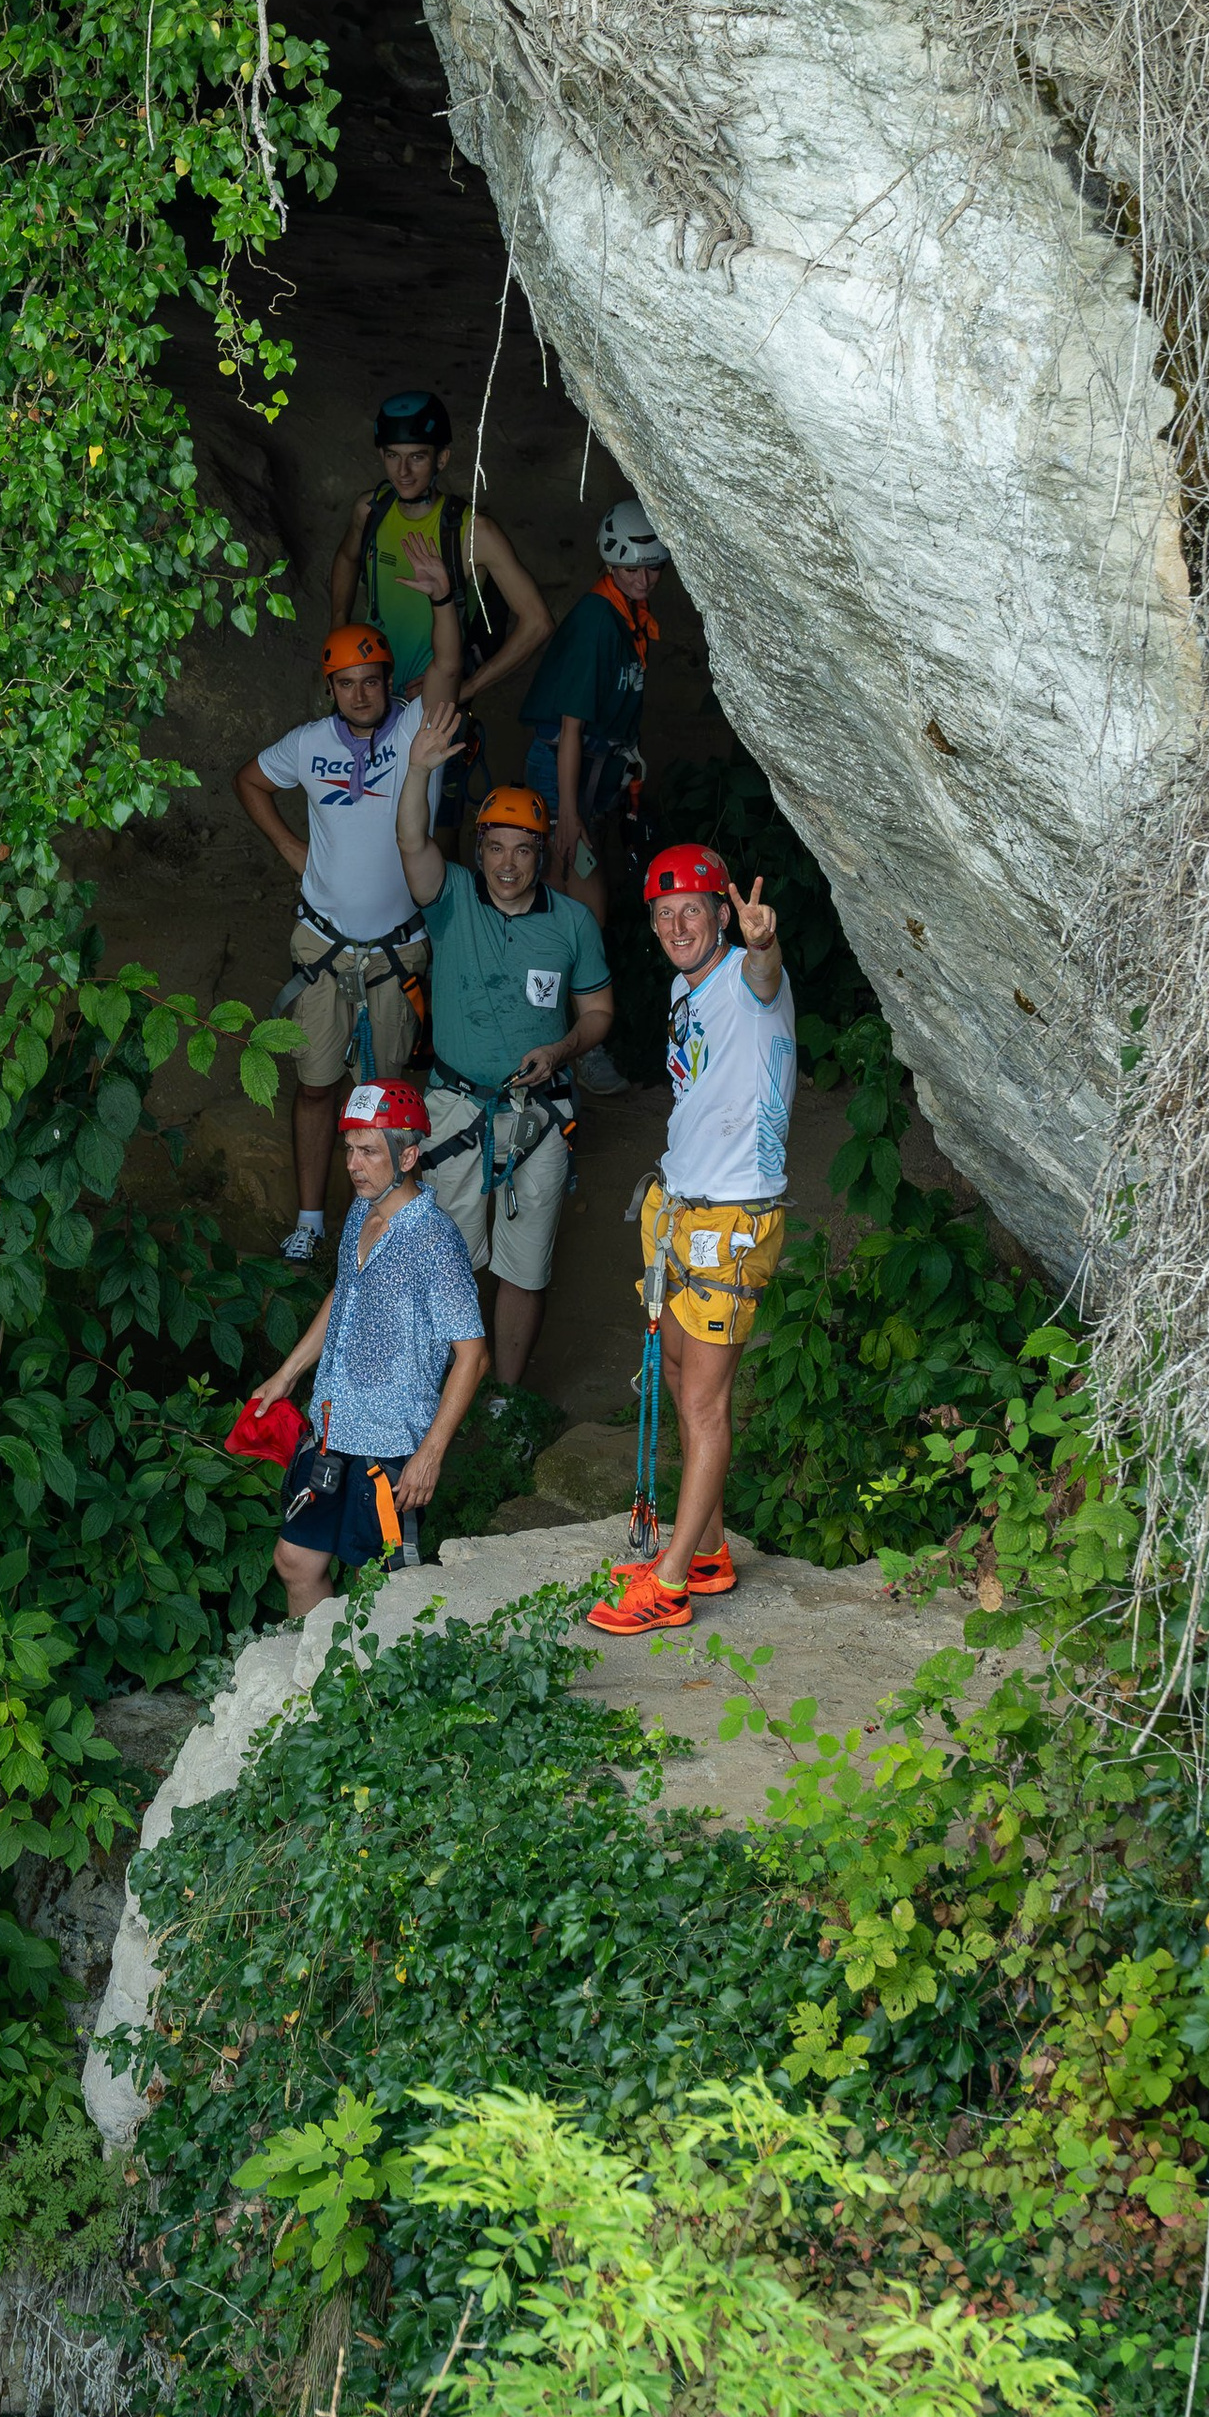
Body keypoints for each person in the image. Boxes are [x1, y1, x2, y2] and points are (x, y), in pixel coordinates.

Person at [588, 841, 796, 1637]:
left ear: (721, 915)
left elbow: (766, 973)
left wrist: (763, 939)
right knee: (678, 1375)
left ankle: (671, 1581)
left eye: (693, 911)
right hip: (681, 1209)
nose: (678, 924)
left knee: (705, 1399)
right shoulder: (686, 985)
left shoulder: (748, 981)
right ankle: (706, 1548)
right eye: (664, 913)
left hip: (732, 1223)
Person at [234, 564, 460, 1263]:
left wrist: (444, 596)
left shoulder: (421, 726)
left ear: (390, 680)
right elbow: (249, 780)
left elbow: (449, 664)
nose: (360, 694)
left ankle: (380, 1227)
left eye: (371, 680)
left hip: (397, 949)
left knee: (385, 1098)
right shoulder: (308, 744)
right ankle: (309, 1219)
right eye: (346, 683)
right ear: (329, 686)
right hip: (325, 945)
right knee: (315, 1088)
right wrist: (290, 847)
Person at [392, 701, 614, 1391]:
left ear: (542, 852)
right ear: (478, 848)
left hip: (537, 1112)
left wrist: (565, 1048)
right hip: (458, 1106)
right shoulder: (453, 898)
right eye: (495, 846)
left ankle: (506, 1401)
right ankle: (438, 1391)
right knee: (450, 1258)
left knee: (525, 1265)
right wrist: (418, 771)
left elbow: (600, 1010)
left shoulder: (572, 922)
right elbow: (411, 846)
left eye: (524, 848)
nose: (509, 863)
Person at [242, 1078, 490, 1618]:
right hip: (333, 1429)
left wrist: (430, 1455)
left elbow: (473, 1356)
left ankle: (374, 1699)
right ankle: (322, 1687)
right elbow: (344, 1292)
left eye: (369, 1151)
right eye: (349, 1149)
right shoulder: (362, 1209)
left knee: (380, 1588)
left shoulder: (435, 1242)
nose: (354, 1164)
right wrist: (287, 1375)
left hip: (391, 1447)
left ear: (408, 1155)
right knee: (295, 1562)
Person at [328, 389, 551, 833]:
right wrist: (337, 635)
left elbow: (538, 622)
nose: (403, 471)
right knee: (363, 812)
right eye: (392, 456)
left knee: (432, 829)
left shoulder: (472, 532)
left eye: (418, 458)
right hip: (371, 689)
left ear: (442, 459)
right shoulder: (370, 510)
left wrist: (466, 687)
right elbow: (348, 559)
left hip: (434, 703)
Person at [517, 496, 668, 1087]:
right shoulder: (595, 622)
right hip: (566, 777)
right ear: (610, 561)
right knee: (567, 916)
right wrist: (567, 817)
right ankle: (553, 1048)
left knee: (581, 916)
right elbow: (571, 732)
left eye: (653, 567)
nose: (642, 577)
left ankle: (568, 1047)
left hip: (594, 779)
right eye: (631, 567)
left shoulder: (630, 619)